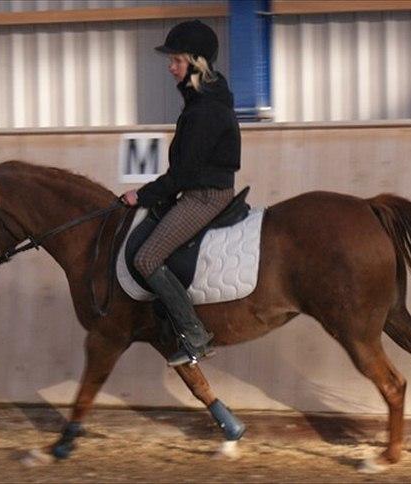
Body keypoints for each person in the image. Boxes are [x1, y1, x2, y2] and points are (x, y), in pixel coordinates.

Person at [120, 20, 241, 367]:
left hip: (205, 196)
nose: (171, 68)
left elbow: (183, 174)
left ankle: (195, 333)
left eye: (176, 61)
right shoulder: (202, 99)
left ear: (196, 62)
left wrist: (140, 196)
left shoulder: (205, 108)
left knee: (146, 258)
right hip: (197, 189)